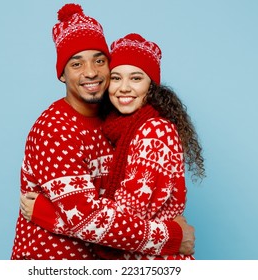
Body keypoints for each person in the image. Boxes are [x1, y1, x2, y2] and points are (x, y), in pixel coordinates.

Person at [11, 3, 195, 260]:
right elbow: (86, 218)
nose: (91, 72)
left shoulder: (122, 125)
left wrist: (48, 213)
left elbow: (117, 214)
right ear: (62, 74)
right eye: (76, 64)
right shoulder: (55, 130)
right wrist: (172, 237)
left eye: (99, 61)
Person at [93, 33, 206, 259]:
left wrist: (47, 213)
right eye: (116, 78)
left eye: (136, 78)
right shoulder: (119, 129)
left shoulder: (153, 131)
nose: (124, 88)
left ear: (151, 86)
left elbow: (123, 219)